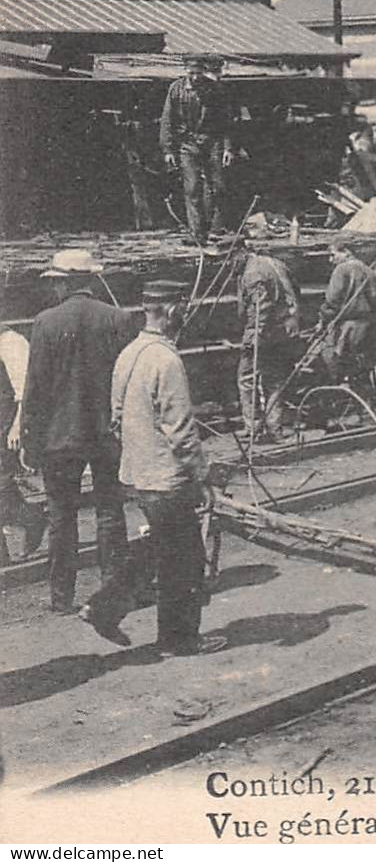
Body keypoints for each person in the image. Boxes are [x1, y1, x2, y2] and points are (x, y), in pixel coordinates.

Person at [75, 281, 223, 654]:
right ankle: (178, 640)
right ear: (172, 311)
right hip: (166, 477)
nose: (184, 316)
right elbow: (181, 430)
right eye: (183, 309)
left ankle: (102, 608)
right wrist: (202, 476)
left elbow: (117, 415)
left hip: (137, 473)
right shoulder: (167, 360)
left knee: (160, 546)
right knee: (185, 561)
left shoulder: (129, 353)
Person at [21, 249, 137, 614]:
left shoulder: (46, 322)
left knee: (61, 515)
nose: (54, 288)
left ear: (65, 282)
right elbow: (125, 381)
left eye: (56, 282)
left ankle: (61, 599)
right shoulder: (118, 319)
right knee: (109, 511)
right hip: (106, 433)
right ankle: (113, 591)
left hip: (60, 436)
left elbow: (35, 387)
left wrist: (29, 438)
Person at [159, 54, 236, 245]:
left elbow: (225, 121)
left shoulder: (215, 89)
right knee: (192, 188)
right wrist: (168, 150)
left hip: (212, 141)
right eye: (191, 73)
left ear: (204, 71)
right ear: (185, 70)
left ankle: (214, 228)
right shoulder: (176, 89)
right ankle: (197, 233)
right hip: (188, 144)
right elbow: (167, 120)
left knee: (217, 186)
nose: (194, 77)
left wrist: (228, 147)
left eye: (198, 73)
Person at [236, 243, 301, 441]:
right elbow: (295, 290)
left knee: (247, 379)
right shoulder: (274, 263)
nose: (227, 264)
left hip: (265, 334)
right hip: (283, 329)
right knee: (274, 379)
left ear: (241, 253)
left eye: (228, 259)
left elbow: (260, 310)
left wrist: (251, 339)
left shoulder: (252, 274)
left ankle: (254, 427)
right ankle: (276, 427)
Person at [318, 237, 376, 402]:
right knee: (362, 366)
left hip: (349, 329)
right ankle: (366, 402)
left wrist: (322, 319)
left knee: (330, 359)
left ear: (346, 252)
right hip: (367, 329)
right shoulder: (369, 271)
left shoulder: (342, 270)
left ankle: (338, 400)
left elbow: (332, 301)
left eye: (333, 255)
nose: (331, 259)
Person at [0, 332, 46, 564]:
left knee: (2, 484)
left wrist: (17, 427)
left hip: (5, 424)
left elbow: (24, 391)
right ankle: (33, 517)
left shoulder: (10, 341)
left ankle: (33, 518)